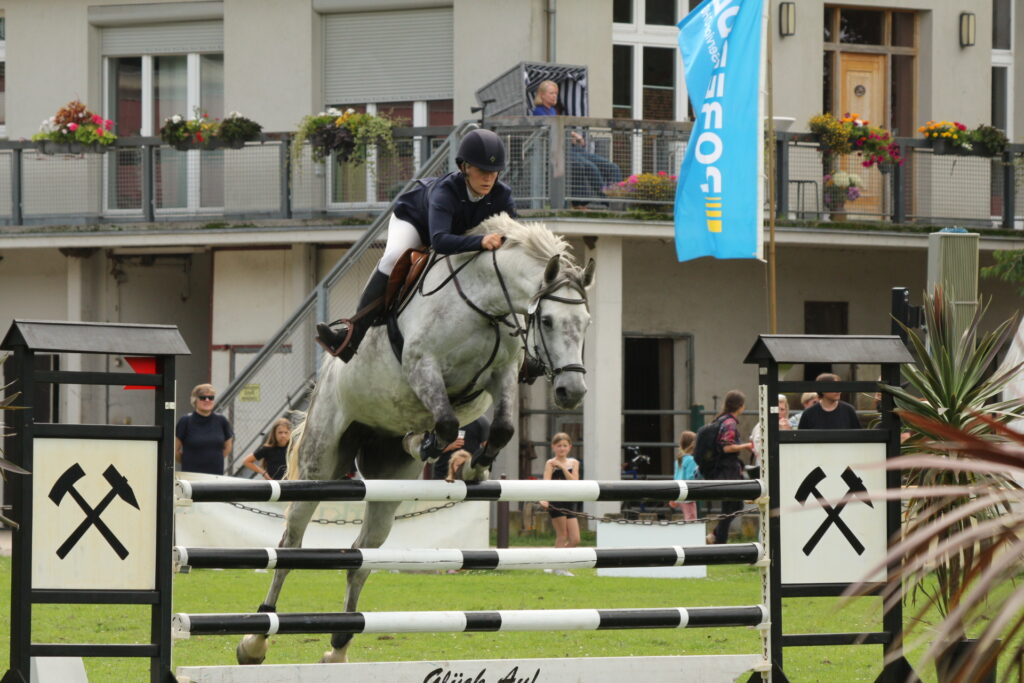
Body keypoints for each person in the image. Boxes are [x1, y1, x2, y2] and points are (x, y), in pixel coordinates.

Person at [316, 128, 515, 359]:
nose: (489, 178)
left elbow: (511, 236)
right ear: (465, 167)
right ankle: (350, 336)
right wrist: (481, 241)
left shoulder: (502, 195)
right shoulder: (446, 192)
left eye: (494, 172)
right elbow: (439, 241)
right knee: (392, 258)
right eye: (482, 171)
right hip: (414, 222)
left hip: (454, 233)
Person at [531, 80, 621, 207]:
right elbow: (551, 132)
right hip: (558, 152)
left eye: (556, 93)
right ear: (542, 95)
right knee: (590, 167)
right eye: (551, 93)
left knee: (612, 167)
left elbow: (559, 129)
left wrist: (572, 136)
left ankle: (619, 197)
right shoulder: (538, 112)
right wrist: (572, 136)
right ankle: (607, 201)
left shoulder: (552, 110)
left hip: (571, 149)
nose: (555, 96)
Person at [706, 390, 754, 545]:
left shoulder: (721, 419)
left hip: (724, 469)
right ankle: (720, 542)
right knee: (730, 507)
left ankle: (715, 535)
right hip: (728, 470)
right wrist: (745, 445)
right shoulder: (730, 423)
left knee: (735, 506)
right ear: (740, 405)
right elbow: (726, 447)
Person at [538, 432, 581, 575]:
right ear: (553, 447)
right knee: (562, 534)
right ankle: (559, 567)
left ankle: (555, 563)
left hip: (570, 501)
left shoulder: (574, 463)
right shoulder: (550, 463)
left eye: (564, 446)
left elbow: (575, 481)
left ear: (570, 447)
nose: (562, 449)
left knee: (575, 538)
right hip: (556, 501)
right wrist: (544, 499)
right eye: (559, 446)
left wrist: (562, 467)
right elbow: (546, 482)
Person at [175, 384, 234, 475]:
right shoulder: (185, 421)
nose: (207, 400)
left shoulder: (221, 421)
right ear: (195, 400)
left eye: (211, 397)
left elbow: (228, 447)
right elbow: (175, 450)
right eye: (203, 397)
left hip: (216, 476)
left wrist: (213, 460)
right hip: (191, 476)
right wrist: (189, 462)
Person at [422, 416, 490, 480]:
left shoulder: (480, 420)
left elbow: (489, 450)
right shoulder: (441, 419)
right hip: (442, 476)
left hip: (468, 479)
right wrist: (448, 447)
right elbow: (427, 453)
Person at [750, 394, 792, 477]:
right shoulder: (761, 426)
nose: (779, 413)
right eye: (776, 409)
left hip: (785, 468)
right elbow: (761, 450)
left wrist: (787, 432)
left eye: (782, 409)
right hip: (767, 470)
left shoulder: (788, 425)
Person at [670, 430, 699, 521]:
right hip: (688, 495)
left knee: (687, 517)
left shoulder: (679, 459)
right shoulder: (691, 460)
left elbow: (676, 477)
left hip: (680, 493)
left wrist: (673, 497)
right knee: (691, 518)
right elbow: (691, 478)